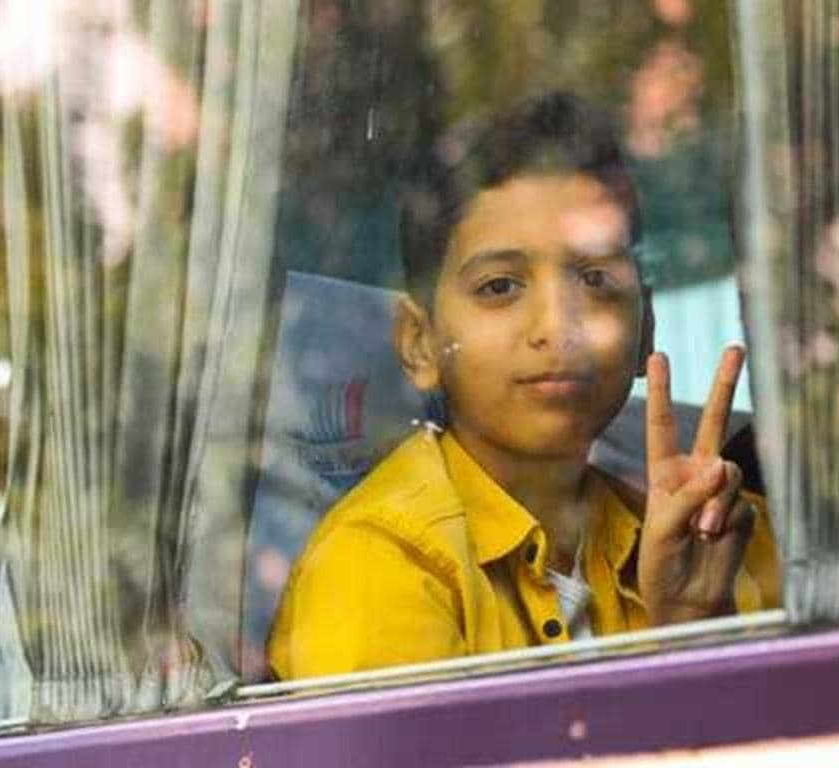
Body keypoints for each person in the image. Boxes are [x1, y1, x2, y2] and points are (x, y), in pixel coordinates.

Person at [268, 92, 779, 680]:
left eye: (595, 278)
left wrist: (694, 625)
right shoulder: (379, 568)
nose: (558, 328)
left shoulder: (722, 536)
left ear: (647, 331)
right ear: (420, 343)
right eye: (499, 287)